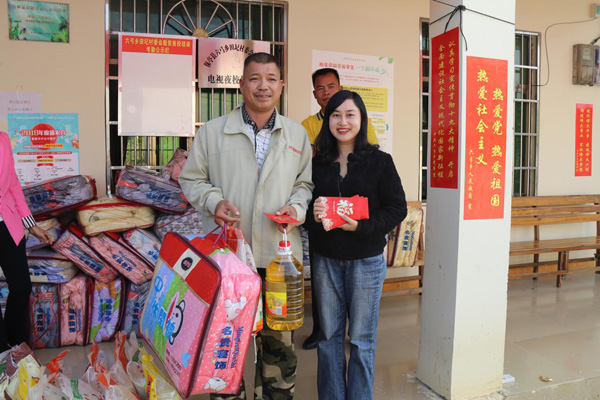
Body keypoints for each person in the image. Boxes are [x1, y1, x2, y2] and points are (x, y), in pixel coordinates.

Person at [179, 52, 313, 400]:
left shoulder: (297, 134)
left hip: (279, 261)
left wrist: (296, 207)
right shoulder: (212, 132)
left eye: (270, 78)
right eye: (255, 78)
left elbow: (304, 184)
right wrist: (214, 202)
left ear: (281, 85)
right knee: (225, 346)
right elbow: (191, 179)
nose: (263, 86)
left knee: (279, 346)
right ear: (241, 84)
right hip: (228, 261)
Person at [304, 91, 406, 400]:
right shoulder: (317, 164)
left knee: (361, 340)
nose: (343, 121)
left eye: (350, 114)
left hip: (366, 261)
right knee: (328, 338)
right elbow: (304, 212)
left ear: (361, 119)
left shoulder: (380, 162)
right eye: (336, 115)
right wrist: (314, 214)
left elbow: (397, 208)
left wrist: (361, 226)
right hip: (325, 260)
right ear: (327, 120)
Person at [300, 68, 379, 351]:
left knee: (361, 329)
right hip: (325, 228)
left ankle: (350, 330)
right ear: (315, 94)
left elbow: (370, 156)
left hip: (359, 232)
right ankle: (321, 329)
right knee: (323, 285)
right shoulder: (307, 125)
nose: (326, 92)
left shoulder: (364, 128)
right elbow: (307, 162)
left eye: (331, 86)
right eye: (320, 88)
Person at [0, 131, 53, 352]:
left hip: (7, 224)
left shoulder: (3, 140)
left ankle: (16, 344)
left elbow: (13, 185)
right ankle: (3, 353)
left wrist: (31, 225)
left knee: (22, 286)